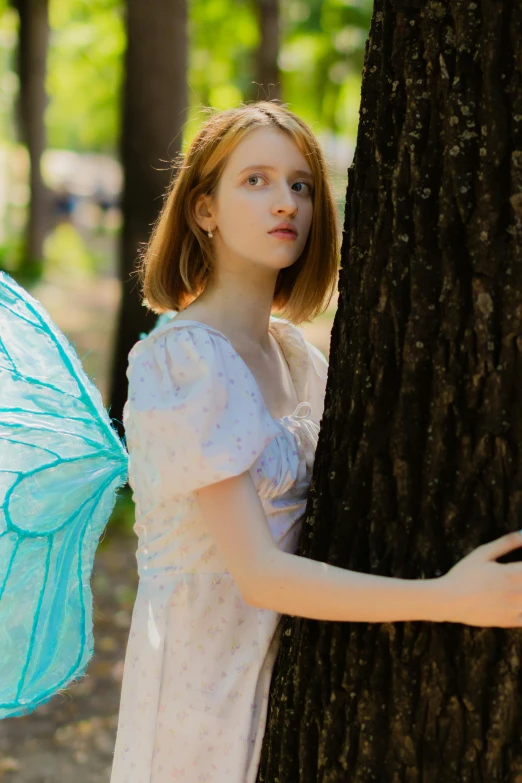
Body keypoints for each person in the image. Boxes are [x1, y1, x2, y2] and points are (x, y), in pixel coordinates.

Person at [109, 101, 522, 782]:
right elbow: (260, 572)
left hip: (290, 669)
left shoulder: (297, 357)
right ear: (203, 209)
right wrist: (448, 597)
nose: (286, 203)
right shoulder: (183, 361)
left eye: (301, 184)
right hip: (200, 686)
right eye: (256, 180)